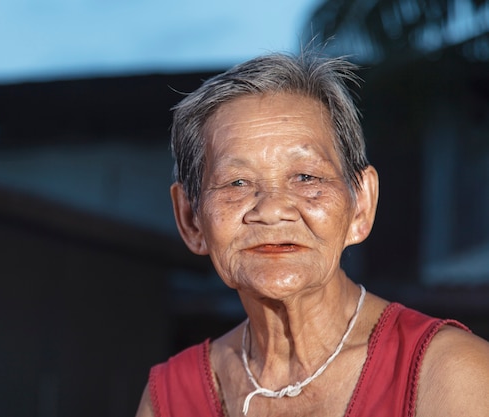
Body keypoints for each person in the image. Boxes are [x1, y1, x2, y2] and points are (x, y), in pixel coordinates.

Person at [134, 49, 489, 417]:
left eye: (306, 177)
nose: (271, 210)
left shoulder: (451, 376)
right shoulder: (171, 400)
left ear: (360, 204)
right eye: (236, 182)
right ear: (191, 219)